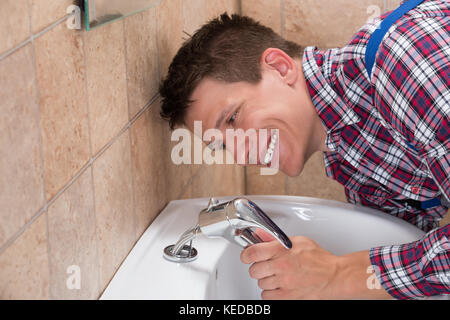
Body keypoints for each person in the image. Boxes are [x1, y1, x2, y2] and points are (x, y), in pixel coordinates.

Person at [158, 0, 449, 299]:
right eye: (220, 145)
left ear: (281, 68)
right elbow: (406, 260)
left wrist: (338, 273)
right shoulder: (352, 160)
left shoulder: (404, 60)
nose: (242, 155)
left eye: (232, 118)